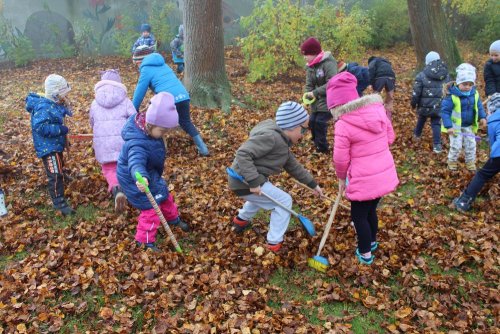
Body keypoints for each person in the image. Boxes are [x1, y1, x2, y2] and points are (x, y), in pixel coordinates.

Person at [228, 101, 324, 252]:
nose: (304, 135)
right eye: (304, 130)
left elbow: (293, 167)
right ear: (292, 126)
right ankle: (274, 242)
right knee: (284, 201)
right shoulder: (271, 138)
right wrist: (253, 181)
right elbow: (243, 153)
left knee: (262, 197)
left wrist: (313, 184)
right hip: (243, 181)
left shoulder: (282, 141)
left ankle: (240, 221)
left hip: (249, 181)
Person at [327, 72, 399, 265]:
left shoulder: (343, 124)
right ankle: (373, 241)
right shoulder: (377, 110)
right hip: (383, 175)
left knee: (359, 216)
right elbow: (390, 137)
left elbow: (340, 158)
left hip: (364, 179)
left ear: (336, 106)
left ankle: (365, 252)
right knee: (370, 211)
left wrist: (341, 177)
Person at [117, 92, 190, 251]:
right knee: (150, 209)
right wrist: (141, 177)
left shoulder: (151, 133)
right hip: (135, 179)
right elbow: (136, 161)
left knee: (164, 196)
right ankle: (144, 241)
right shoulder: (137, 142)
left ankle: (172, 218)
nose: (165, 134)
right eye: (163, 131)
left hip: (150, 173)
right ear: (150, 124)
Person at [131, 47, 210, 156]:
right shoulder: (164, 65)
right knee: (186, 122)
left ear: (140, 61)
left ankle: (159, 151)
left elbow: (139, 92)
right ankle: (203, 149)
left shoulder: (146, 69)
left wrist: (133, 109)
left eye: (136, 64)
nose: (137, 67)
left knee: (155, 124)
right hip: (183, 96)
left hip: (167, 99)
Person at [25, 74, 76, 216]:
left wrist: (65, 107)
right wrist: (60, 129)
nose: (64, 98)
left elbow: (59, 111)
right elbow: (40, 127)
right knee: (54, 173)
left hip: (55, 145)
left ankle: (62, 176)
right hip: (48, 147)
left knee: (59, 164)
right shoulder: (43, 107)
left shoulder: (53, 104)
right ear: (55, 95)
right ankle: (59, 203)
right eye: (62, 95)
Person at [90, 69, 136, 213]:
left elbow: (92, 121)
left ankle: (116, 188)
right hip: (123, 142)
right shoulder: (126, 101)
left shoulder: (94, 103)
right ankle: (128, 189)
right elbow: (134, 119)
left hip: (103, 144)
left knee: (109, 168)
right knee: (125, 166)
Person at [453, 93, 500, 211]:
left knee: (482, 174)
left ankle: (464, 202)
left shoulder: (493, 120)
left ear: (491, 110)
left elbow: (494, 143)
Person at [441, 63, 487, 171]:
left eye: (470, 84)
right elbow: (445, 112)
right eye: (464, 84)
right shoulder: (452, 96)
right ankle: (452, 161)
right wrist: (449, 126)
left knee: (471, 145)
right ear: (458, 82)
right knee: (456, 146)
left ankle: (470, 162)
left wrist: (482, 117)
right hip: (455, 127)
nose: (467, 87)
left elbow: (479, 106)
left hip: (468, 126)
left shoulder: (474, 94)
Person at [300, 37, 337, 153]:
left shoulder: (328, 63)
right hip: (316, 102)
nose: (304, 57)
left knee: (320, 122)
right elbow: (309, 84)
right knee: (312, 122)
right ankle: (317, 144)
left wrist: (315, 92)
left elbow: (332, 83)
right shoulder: (310, 67)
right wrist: (306, 97)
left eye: (306, 54)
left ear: (313, 53)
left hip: (329, 100)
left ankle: (323, 149)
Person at [410, 51, 450, 153]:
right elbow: (449, 89)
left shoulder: (421, 75)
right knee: (436, 123)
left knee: (422, 119)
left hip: (424, 105)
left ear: (427, 62)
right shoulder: (446, 74)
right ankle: (437, 145)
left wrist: (413, 103)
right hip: (439, 104)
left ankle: (416, 135)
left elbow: (416, 91)